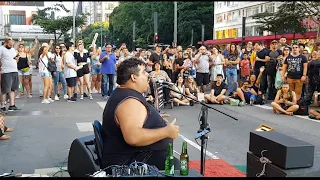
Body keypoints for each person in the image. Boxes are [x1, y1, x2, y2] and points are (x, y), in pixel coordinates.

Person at [101, 57, 179, 172]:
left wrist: (151, 120)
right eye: (143, 72)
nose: (148, 75)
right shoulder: (129, 101)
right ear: (133, 77)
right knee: (178, 167)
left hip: (138, 157)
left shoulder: (124, 93)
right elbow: (133, 137)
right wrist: (167, 131)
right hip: (130, 164)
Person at [0, 37, 20, 112]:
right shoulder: (1, 49)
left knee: (12, 89)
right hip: (6, 71)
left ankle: (12, 105)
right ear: (6, 43)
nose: (11, 46)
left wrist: (16, 60)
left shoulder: (12, 49)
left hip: (14, 70)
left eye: (12, 45)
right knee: (5, 89)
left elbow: (15, 57)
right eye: (10, 45)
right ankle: (2, 105)